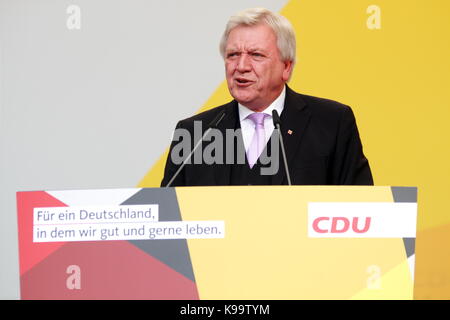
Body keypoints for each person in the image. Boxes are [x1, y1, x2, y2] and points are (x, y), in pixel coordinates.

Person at [161, 7, 373, 187]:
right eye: (233, 55)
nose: (241, 66)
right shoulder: (195, 134)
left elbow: (360, 208)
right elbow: (167, 217)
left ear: (286, 67)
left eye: (256, 55)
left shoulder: (332, 123)